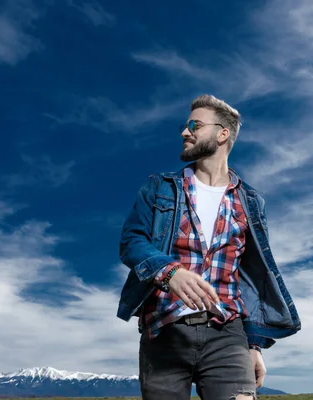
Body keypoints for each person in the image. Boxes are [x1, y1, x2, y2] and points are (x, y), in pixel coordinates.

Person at [117, 94, 301, 400]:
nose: (184, 132)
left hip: (228, 335)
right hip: (164, 330)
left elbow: (250, 278)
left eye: (194, 125)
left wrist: (253, 344)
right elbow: (131, 241)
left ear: (222, 133)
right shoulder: (160, 187)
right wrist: (168, 271)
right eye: (185, 126)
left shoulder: (251, 202)